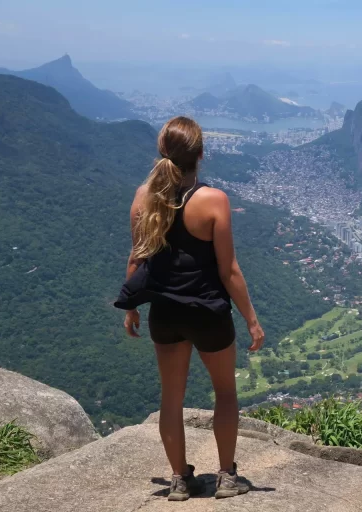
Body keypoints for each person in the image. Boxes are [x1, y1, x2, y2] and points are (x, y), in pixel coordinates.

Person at [114, 116, 265, 501]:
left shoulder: (143, 197)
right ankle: (227, 477)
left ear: (163, 153)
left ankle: (180, 479)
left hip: (164, 313)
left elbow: (137, 257)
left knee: (171, 399)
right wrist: (251, 320)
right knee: (226, 394)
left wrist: (131, 309)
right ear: (201, 154)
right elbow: (229, 270)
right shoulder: (213, 200)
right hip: (208, 313)